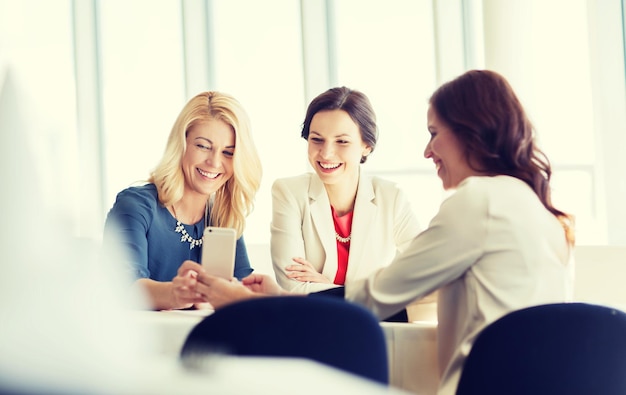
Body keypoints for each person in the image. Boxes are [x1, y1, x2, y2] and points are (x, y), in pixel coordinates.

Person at [191, 69, 576, 395]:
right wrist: (282, 293)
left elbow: (378, 295)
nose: (427, 151)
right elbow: (410, 293)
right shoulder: (534, 208)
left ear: (469, 133)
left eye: (434, 133)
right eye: (317, 139)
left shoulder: (479, 201)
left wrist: (253, 303)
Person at [103, 91, 262, 311]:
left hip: (202, 342)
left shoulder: (224, 216)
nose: (214, 162)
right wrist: (176, 294)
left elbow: (243, 295)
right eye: (203, 146)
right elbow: (124, 287)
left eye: (228, 152)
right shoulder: (135, 206)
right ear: (182, 144)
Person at [271, 86, 421, 294]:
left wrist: (324, 285)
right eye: (317, 139)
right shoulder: (289, 193)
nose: (326, 153)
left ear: (366, 145)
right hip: (311, 324)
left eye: (342, 141)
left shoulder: (391, 198)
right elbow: (294, 286)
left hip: (372, 326)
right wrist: (370, 293)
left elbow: (428, 275)